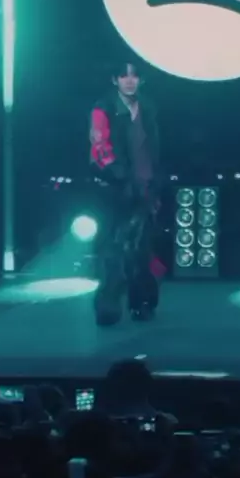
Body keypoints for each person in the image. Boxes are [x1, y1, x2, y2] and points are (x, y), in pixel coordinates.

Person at [89, 61, 161, 326]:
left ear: (141, 80)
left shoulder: (148, 107)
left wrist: (153, 182)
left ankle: (142, 303)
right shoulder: (104, 107)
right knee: (113, 251)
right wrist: (119, 175)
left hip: (144, 187)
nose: (130, 80)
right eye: (124, 76)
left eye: (134, 76)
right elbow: (99, 146)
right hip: (113, 189)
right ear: (115, 80)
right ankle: (108, 308)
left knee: (141, 251)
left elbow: (154, 147)